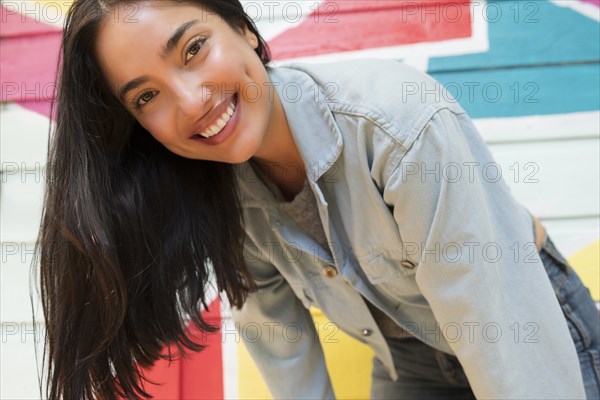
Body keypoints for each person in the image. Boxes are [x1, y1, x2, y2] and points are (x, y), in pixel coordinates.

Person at [36, 0, 599, 399]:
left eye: (194, 49)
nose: (190, 101)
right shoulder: (216, 192)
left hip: (524, 322)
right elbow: (282, 345)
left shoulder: (397, 127)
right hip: (411, 358)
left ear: (243, 28)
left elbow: (498, 328)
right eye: (147, 96)